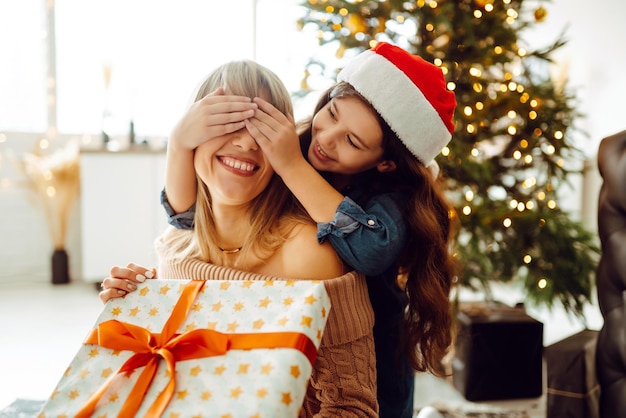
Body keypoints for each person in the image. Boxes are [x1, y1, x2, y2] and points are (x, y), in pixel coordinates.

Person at [160, 42, 458, 417]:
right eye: (331, 113)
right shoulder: (294, 147)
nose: (326, 138)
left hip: (372, 364)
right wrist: (179, 142)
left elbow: (369, 248)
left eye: (352, 141)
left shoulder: (393, 198)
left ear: (386, 164)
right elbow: (187, 217)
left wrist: (291, 166)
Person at [100, 60, 379, 417]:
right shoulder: (176, 243)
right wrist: (141, 306)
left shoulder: (307, 254)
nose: (247, 141)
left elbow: (353, 408)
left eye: (263, 129)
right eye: (228, 121)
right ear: (190, 133)